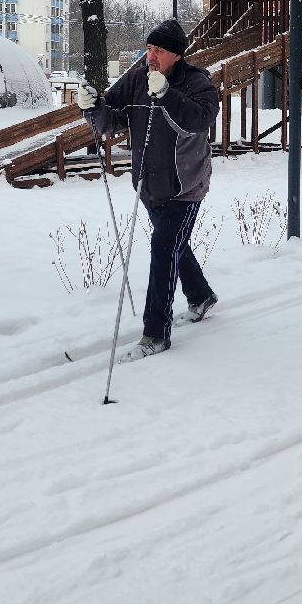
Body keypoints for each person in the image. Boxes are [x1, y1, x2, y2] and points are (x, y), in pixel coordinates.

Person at [79, 19, 219, 359]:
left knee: (163, 250)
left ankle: (155, 334)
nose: (150, 56)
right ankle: (200, 295)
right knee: (173, 245)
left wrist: (166, 95)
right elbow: (112, 119)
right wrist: (92, 106)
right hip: (148, 182)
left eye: (157, 50)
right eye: (149, 48)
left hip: (184, 186)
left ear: (175, 55)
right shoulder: (137, 77)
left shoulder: (198, 83)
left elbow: (198, 121)